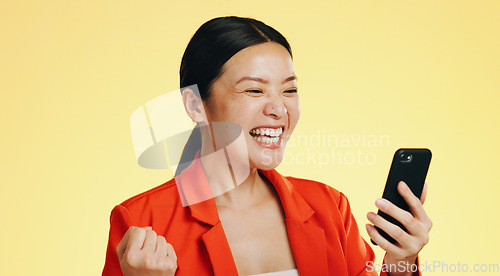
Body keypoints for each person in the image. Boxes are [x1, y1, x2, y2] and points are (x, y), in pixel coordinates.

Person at [102, 16, 432, 276]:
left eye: (289, 91)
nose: (278, 109)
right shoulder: (141, 223)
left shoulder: (329, 208)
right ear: (195, 105)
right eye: (255, 91)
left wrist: (402, 261)